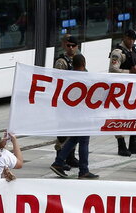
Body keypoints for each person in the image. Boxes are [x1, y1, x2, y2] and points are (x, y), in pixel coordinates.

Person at [110, 29, 136, 157]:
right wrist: (130, 72)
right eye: (130, 39)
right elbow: (113, 70)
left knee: (134, 115)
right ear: (124, 37)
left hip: (132, 89)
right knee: (119, 117)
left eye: (133, 40)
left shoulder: (133, 50)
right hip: (120, 91)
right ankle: (121, 145)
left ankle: (133, 143)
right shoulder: (118, 53)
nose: (131, 42)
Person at [53, 35, 79, 168]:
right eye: (68, 45)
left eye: (73, 46)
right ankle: (59, 156)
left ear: (77, 47)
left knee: (73, 129)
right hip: (63, 101)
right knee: (63, 131)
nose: (70, 48)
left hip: (75, 102)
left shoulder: (78, 60)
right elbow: (58, 81)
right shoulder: (61, 62)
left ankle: (70, 156)